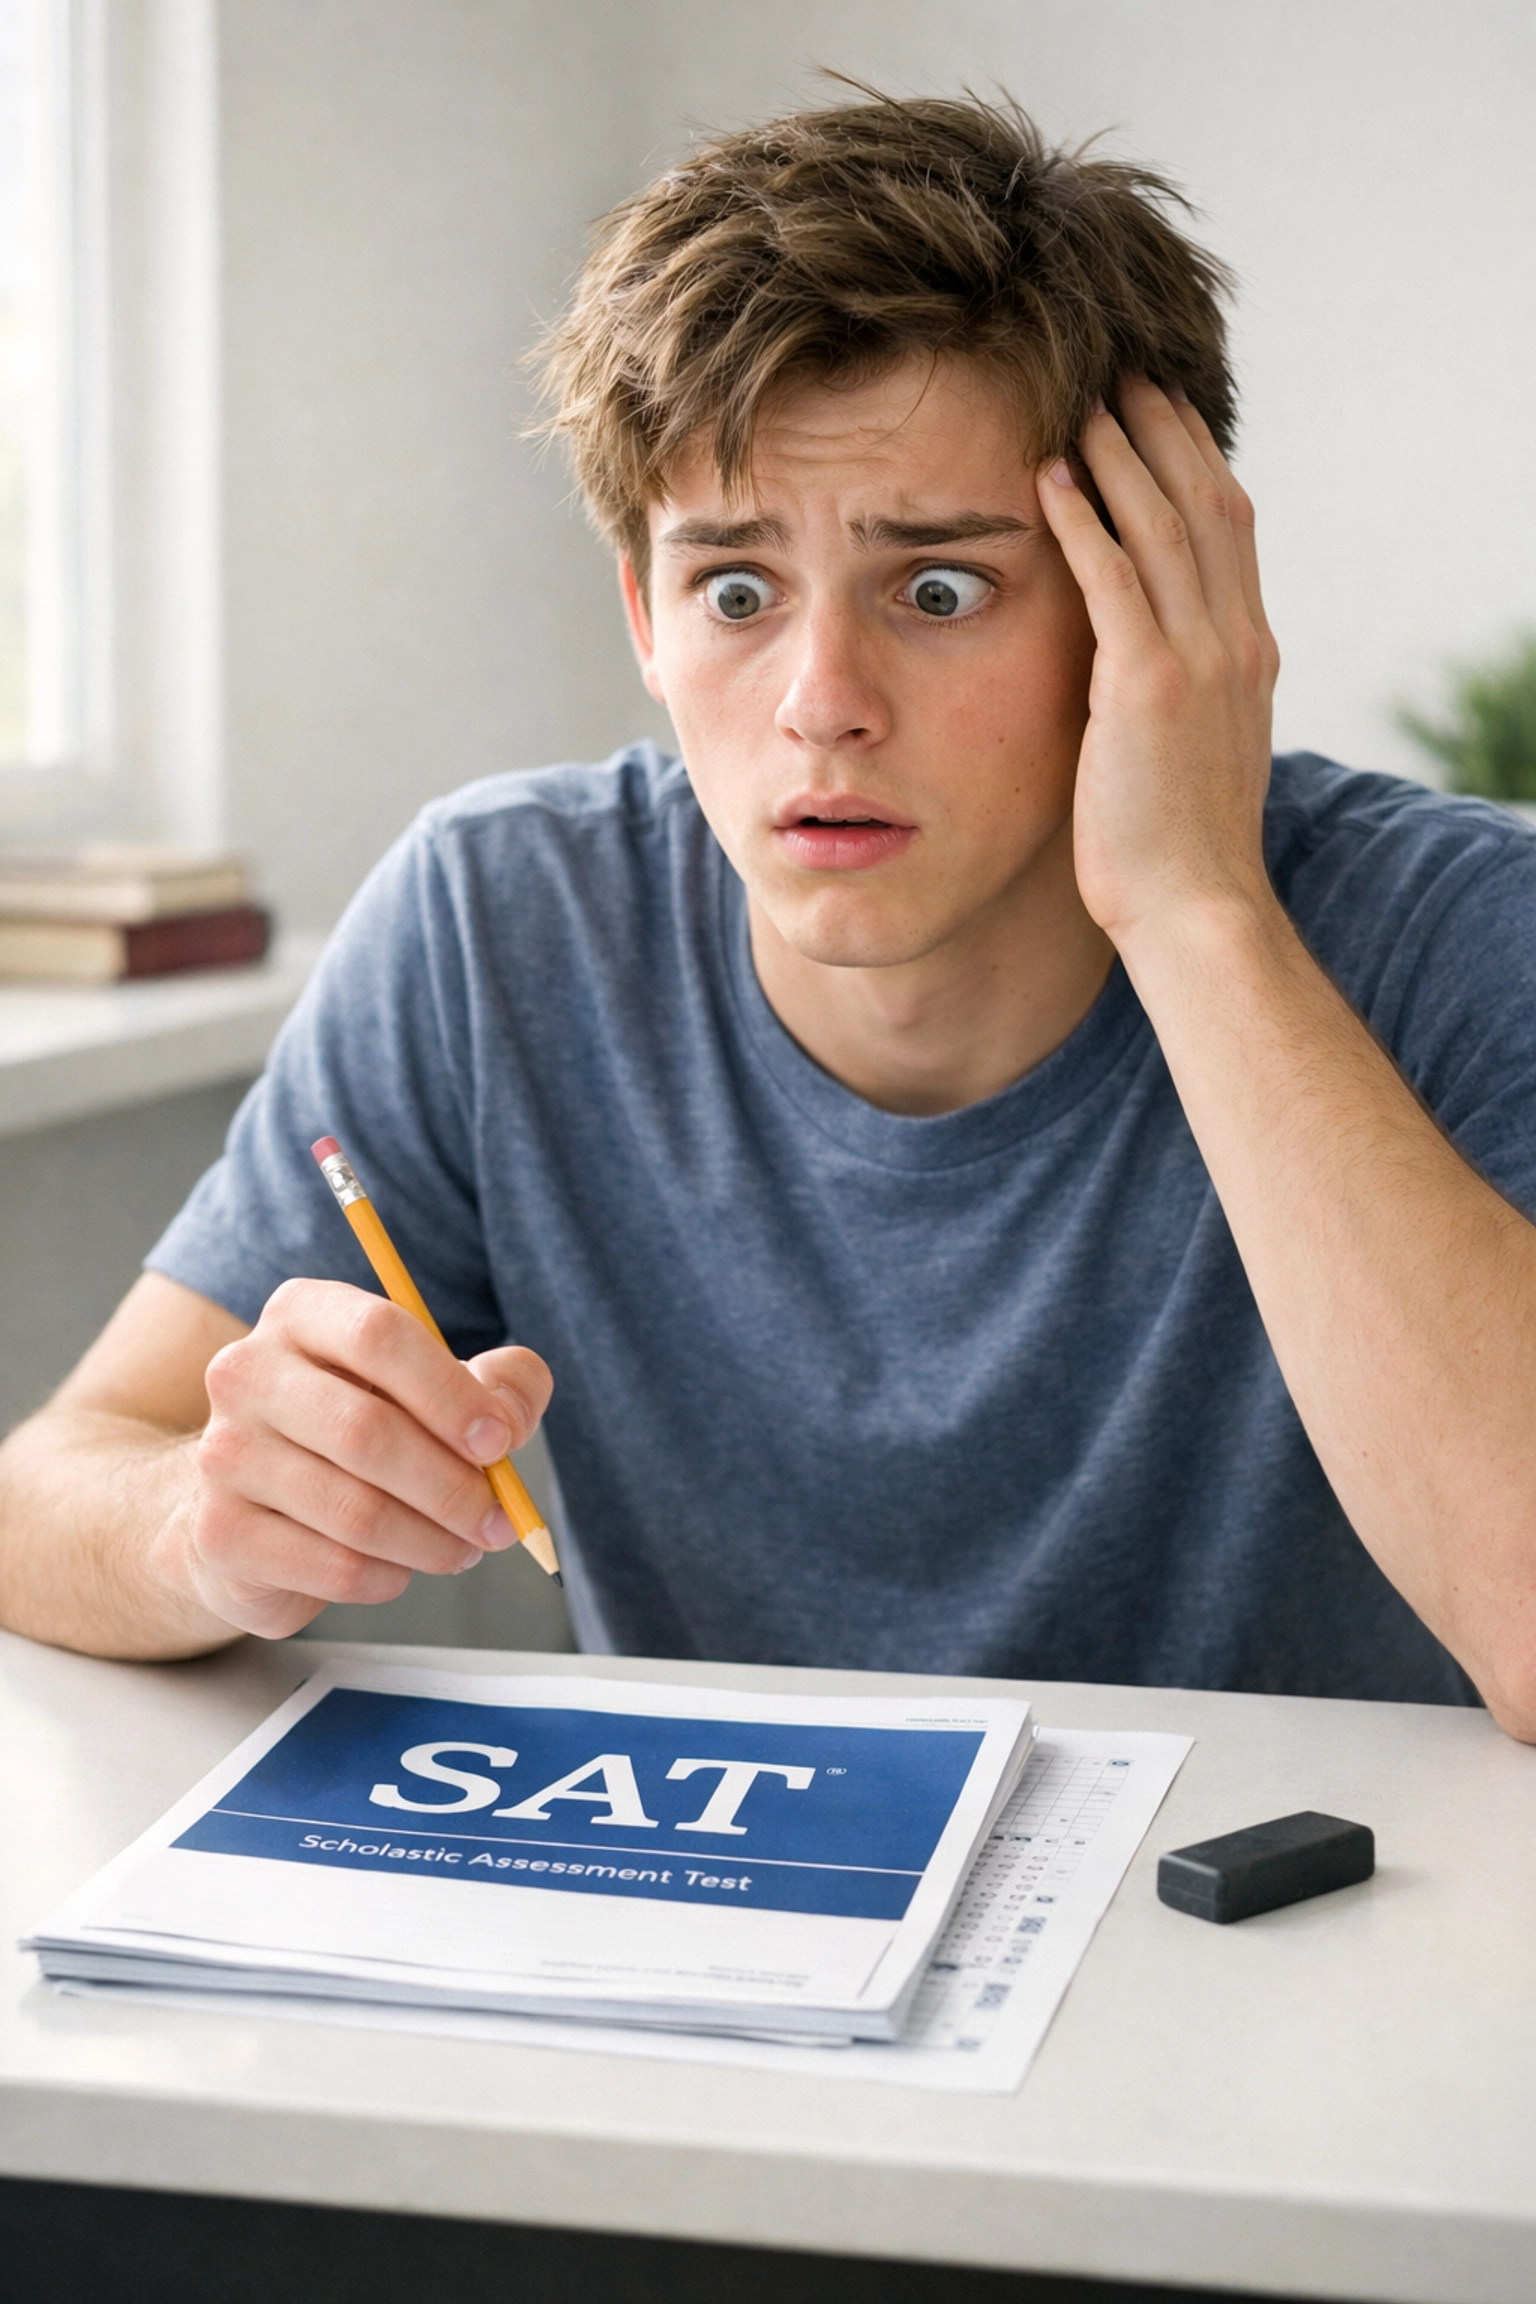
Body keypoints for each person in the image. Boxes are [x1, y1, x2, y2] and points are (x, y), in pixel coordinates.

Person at [2, 93, 1534, 1732]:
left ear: (1154, 598)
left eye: (941, 589)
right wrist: (199, 1530)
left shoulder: (1451, 933)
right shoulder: (504, 922)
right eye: (734, 590)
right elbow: (44, 1503)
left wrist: (1199, 912)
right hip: (738, 1939)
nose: (821, 703)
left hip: (1306, 1962)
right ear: (643, 618)